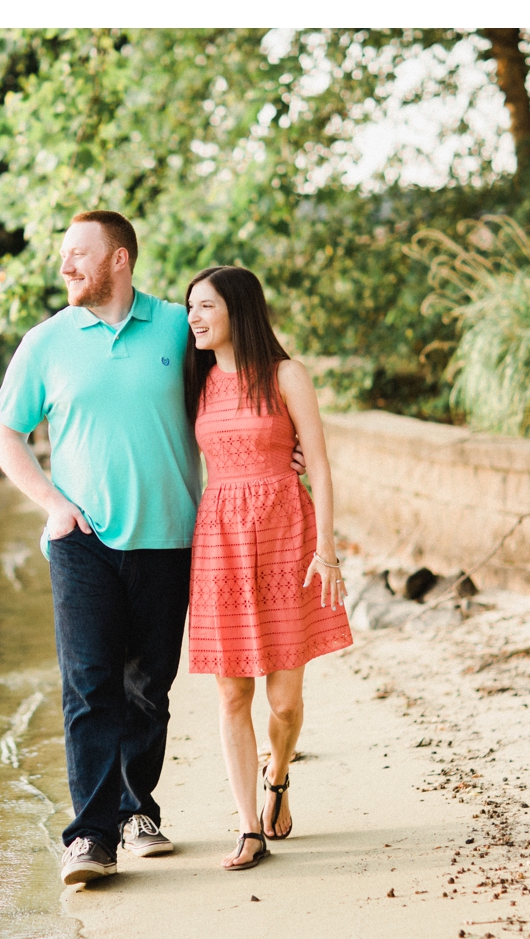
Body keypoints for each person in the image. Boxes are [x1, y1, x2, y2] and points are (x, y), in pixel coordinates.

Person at [0, 211, 203, 886]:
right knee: (89, 685)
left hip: (169, 537)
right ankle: (90, 834)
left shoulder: (175, 326)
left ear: (119, 258)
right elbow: (6, 434)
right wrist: (54, 503)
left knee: (150, 686)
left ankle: (138, 808)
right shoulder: (47, 342)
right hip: (82, 539)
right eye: (63, 255)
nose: (65, 266)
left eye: (78, 253)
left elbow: (238, 377)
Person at [183, 265, 353, 872]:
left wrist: (325, 549)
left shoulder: (286, 376)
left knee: (283, 701)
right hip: (221, 542)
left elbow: (322, 467)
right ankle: (247, 826)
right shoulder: (195, 380)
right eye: (189, 309)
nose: (194, 318)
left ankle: (278, 771)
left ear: (238, 309)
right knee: (232, 693)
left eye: (204, 306)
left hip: (285, 534)